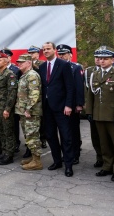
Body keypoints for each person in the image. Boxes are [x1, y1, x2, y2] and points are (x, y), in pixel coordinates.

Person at [85, 46, 114, 182]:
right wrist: (89, 112)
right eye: (101, 58)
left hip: (113, 115)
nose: (102, 61)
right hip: (99, 114)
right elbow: (90, 95)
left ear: (112, 59)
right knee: (104, 143)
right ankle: (107, 166)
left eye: (106, 59)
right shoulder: (95, 74)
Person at [38, 42, 75, 177]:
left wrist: (69, 105)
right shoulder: (42, 67)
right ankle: (57, 161)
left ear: (54, 50)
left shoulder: (64, 65)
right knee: (50, 135)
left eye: (48, 49)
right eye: (44, 49)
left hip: (62, 107)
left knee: (66, 136)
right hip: (47, 108)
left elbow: (70, 87)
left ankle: (69, 165)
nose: (46, 51)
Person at [56, 44, 84, 164]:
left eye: (64, 54)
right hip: (60, 104)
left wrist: (79, 104)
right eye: (60, 54)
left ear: (70, 55)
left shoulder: (76, 68)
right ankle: (67, 154)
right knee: (64, 131)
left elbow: (79, 87)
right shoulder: (56, 67)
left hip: (72, 105)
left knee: (73, 131)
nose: (62, 56)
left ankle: (75, 154)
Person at [15, 54, 43, 170]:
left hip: (31, 112)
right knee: (28, 135)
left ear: (29, 63)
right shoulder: (24, 75)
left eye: (22, 62)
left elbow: (34, 94)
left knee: (33, 136)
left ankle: (37, 162)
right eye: (18, 62)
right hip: (23, 111)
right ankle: (33, 157)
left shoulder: (32, 75)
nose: (19, 64)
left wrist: (28, 109)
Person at [0, 52, 17, 165]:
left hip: (5, 108)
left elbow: (12, 93)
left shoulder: (10, 74)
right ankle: (4, 151)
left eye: (0, 60)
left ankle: (9, 154)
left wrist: (7, 109)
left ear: (6, 62)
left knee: (8, 131)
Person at [0, 48, 24, 156]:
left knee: (13, 124)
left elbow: (17, 87)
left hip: (13, 102)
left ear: (9, 58)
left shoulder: (15, 70)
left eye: (5, 56)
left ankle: (16, 143)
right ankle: (4, 145)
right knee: (3, 126)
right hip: (1, 103)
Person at [84, 48, 103, 168]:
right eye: (96, 57)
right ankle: (99, 157)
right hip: (94, 108)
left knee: (107, 137)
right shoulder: (89, 71)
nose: (98, 60)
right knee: (95, 136)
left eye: (101, 58)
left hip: (107, 109)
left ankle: (109, 159)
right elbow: (87, 91)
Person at [28, 45, 47, 149]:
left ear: (37, 54)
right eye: (29, 53)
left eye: (33, 53)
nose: (31, 55)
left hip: (40, 94)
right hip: (30, 95)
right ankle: (31, 139)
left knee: (41, 119)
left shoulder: (42, 64)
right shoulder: (27, 64)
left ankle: (42, 139)